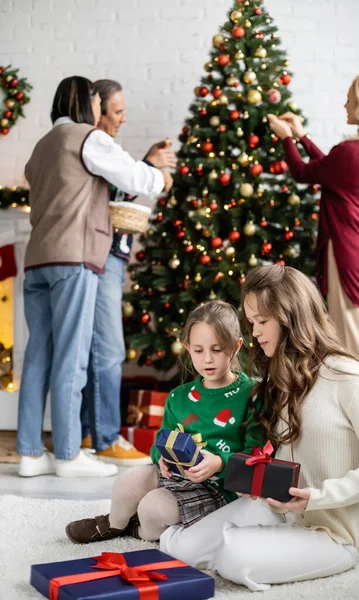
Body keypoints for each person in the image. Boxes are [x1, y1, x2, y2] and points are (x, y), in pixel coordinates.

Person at [160, 266, 359, 591]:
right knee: (178, 547)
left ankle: (249, 544)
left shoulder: (353, 382)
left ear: (290, 316)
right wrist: (255, 482)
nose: (256, 332)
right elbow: (278, 451)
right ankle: (250, 540)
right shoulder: (283, 380)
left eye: (262, 321)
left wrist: (318, 497)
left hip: (332, 535)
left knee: (234, 558)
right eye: (252, 323)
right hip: (279, 510)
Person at [17, 75, 173, 478]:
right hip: (74, 260)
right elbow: (136, 179)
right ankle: (69, 455)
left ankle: (30, 454)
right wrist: (159, 177)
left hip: (37, 261)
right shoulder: (89, 138)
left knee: (38, 357)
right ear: (88, 104)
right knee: (72, 356)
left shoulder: (41, 147)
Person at [65, 300, 265, 543]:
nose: (208, 360)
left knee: (152, 509)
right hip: (178, 475)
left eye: (217, 349)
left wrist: (220, 463)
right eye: (199, 351)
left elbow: (256, 454)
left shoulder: (252, 395)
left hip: (219, 487)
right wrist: (162, 460)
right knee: (129, 481)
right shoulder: (178, 397)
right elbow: (161, 441)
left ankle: (139, 531)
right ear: (188, 348)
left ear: (236, 347)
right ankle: (113, 524)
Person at [267, 74, 359, 427]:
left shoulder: (349, 153)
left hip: (347, 256)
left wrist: (287, 139)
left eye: (350, 99)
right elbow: (330, 172)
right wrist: (302, 136)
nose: (345, 104)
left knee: (353, 350)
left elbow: (302, 172)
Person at [79, 79, 176, 466]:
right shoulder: (95, 146)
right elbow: (117, 195)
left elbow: (118, 191)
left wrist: (147, 163)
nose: (122, 118)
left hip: (107, 258)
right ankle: (105, 436)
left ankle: (89, 430)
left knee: (93, 348)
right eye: (116, 111)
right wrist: (151, 167)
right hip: (104, 257)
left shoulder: (100, 150)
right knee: (108, 348)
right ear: (97, 110)